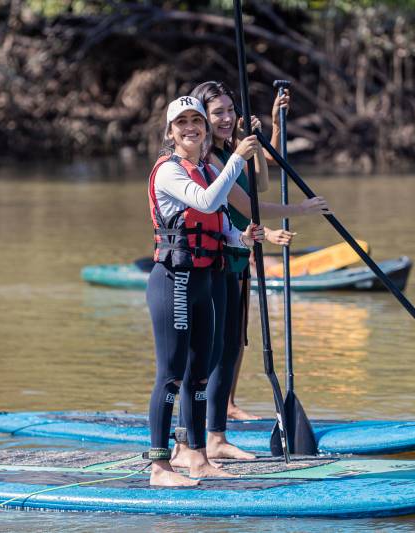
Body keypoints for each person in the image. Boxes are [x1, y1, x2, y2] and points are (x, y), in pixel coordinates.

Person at [169, 81, 330, 466]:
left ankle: (216, 436)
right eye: (217, 112)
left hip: (237, 258)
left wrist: (267, 131)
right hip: (214, 262)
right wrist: (300, 210)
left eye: (229, 110)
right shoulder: (207, 162)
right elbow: (245, 204)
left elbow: (258, 187)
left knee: (228, 351)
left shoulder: (228, 150)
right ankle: (188, 441)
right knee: (207, 356)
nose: (225, 118)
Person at [145, 95, 263, 487]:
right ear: (170, 131)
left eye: (197, 120)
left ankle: (196, 457)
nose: (191, 128)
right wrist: (238, 159)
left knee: (200, 373)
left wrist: (247, 237)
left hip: (203, 280)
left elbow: (227, 229)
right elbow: (207, 201)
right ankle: (160, 467)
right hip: (173, 281)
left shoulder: (205, 171)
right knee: (172, 374)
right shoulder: (169, 172)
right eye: (183, 123)